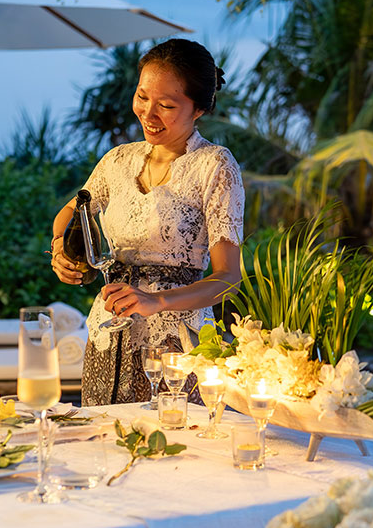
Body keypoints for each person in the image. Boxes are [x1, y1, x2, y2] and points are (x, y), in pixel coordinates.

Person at [50, 38, 245, 405]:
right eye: (142, 97)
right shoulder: (117, 160)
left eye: (166, 105)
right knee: (102, 437)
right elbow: (71, 212)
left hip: (173, 345)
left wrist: (156, 301)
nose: (148, 114)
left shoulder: (214, 165)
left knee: (170, 436)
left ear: (199, 108)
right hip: (108, 338)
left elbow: (228, 278)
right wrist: (62, 250)